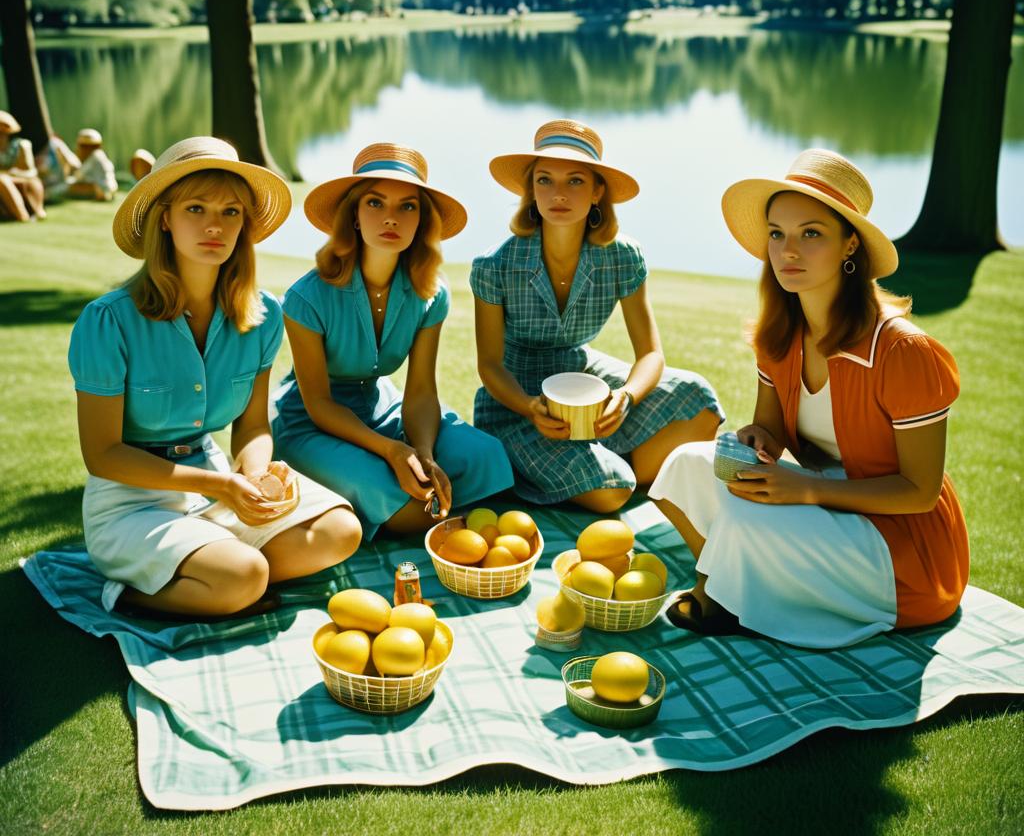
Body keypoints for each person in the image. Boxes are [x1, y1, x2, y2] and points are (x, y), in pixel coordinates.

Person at [648, 148, 970, 647]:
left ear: (850, 246)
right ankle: (743, 592)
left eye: (810, 233)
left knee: (744, 515)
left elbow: (919, 491)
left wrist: (804, 489)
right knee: (689, 463)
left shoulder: (904, 351)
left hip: (903, 553)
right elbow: (771, 434)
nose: (787, 250)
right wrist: (760, 440)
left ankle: (722, 598)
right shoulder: (778, 336)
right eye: (777, 233)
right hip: (827, 503)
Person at [69, 136, 361, 618]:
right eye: (196, 208)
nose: (214, 226)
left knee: (340, 532)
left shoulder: (263, 316)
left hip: (215, 484)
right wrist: (222, 487)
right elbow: (102, 455)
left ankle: (218, 572)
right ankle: (132, 591)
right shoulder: (108, 321)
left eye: (230, 213)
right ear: (166, 218)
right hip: (131, 503)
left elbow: (252, 428)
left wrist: (255, 474)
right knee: (244, 575)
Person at [471, 119, 722, 513]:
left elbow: (651, 355)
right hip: (515, 398)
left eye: (574, 181)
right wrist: (527, 406)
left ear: (596, 191)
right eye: (544, 180)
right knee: (613, 490)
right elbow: (489, 365)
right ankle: (586, 469)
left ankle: (591, 461)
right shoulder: (494, 265)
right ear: (531, 190)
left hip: (586, 379)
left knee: (700, 403)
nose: (558, 194)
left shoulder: (622, 256)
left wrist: (626, 396)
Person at [272, 143, 514, 537]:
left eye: (407, 206)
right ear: (352, 215)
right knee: (395, 499)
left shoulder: (431, 293)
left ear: (421, 220)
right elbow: (318, 403)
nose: (391, 218)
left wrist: (423, 452)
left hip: (384, 410)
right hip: (312, 423)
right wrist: (392, 451)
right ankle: (421, 513)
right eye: (375, 203)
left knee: (487, 457)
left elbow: (420, 392)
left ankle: (423, 504)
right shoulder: (306, 298)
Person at [0, 110, 46, 220]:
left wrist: (10, 174)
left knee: (2, 180)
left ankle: (22, 215)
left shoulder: (21, 145)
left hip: (25, 181)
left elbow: (30, 172)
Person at [68, 127, 118, 201]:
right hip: (112, 189)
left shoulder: (94, 157)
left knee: (69, 186)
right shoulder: (101, 156)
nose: (85, 149)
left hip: (102, 190)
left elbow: (78, 176)